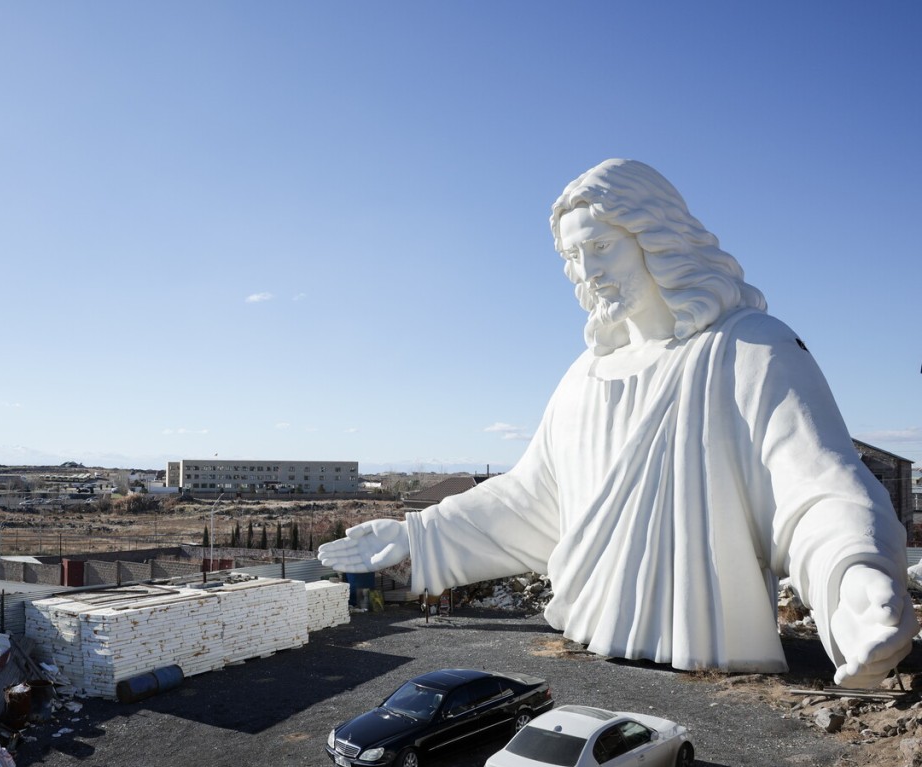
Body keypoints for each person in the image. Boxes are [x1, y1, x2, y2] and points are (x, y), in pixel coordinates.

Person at [318, 159, 917, 688]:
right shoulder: (585, 375)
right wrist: (415, 536)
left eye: (603, 247)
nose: (589, 272)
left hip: (707, 649)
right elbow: (532, 500)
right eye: (575, 257)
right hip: (589, 647)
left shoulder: (748, 350)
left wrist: (855, 576)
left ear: (657, 238)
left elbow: (815, 486)